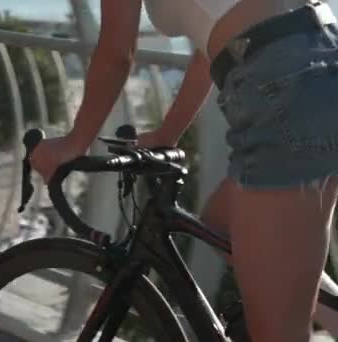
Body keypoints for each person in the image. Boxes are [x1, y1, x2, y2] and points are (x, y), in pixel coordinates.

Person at [30, 0, 338, 341]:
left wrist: (73, 143)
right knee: (223, 226)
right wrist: (167, 133)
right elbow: (210, 50)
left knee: (278, 335)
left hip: (281, 84)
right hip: (321, 59)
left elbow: (117, 51)